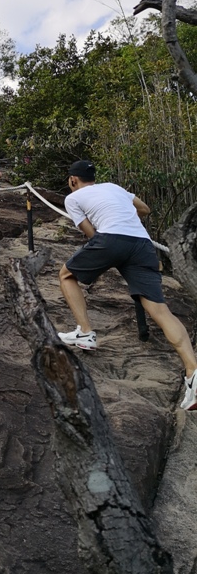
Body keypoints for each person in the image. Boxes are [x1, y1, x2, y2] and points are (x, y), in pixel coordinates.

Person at [57, 159, 197, 409]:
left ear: (72, 180)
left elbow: (92, 234)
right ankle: (193, 373)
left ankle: (86, 332)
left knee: (67, 275)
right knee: (160, 310)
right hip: (142, 244)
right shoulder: (113, 187)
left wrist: (109, 244)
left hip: (111, 238)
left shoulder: (73, 198)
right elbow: (145, 209)